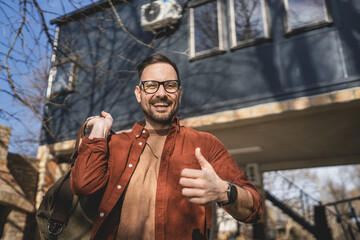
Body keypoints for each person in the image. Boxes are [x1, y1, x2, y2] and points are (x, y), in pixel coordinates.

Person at [70, 53, 263, 240]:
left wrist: (224, 191)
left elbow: (254, 209)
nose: (161, 94)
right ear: (139, 94)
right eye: (151, 85)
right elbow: (83, 186)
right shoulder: (115, 144)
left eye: (170, 86)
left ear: (179, 93)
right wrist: (98, 133)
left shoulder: (205, 144)